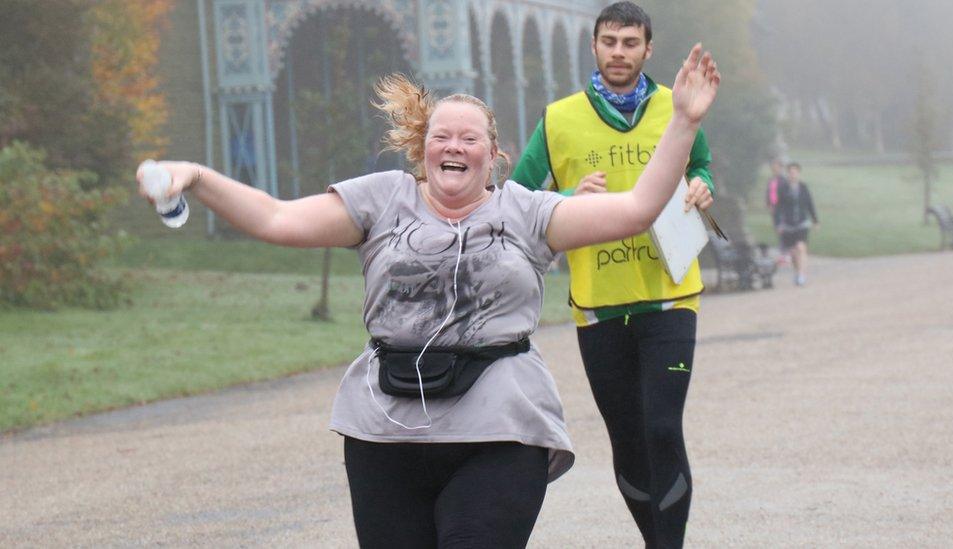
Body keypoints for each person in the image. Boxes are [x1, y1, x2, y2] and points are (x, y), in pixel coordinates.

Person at [138, 44, 719, 548]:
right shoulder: (380, 201)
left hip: (499, 427)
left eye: (471, 138)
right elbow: (274, 218)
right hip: (385, 432)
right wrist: (197, 176)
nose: (455, 146)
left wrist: (684, 122)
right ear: (422, 150)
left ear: (494, 156)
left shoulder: (528, 211)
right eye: (441, 135)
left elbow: (639, 208)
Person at [511, 2, 714, 547]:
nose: (618, 51)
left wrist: (701, 186)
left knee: (662, 428)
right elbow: (518, 201)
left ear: (648, 49)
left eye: (630, 42)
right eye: (609, 41)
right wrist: (572, 198)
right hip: (597, 304)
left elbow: (700, 165)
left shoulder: (680, 107)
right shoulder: (558, 119)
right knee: (626, 437)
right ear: (595, 46)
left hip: (670, 297)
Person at [774, 161, 819, 286]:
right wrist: (778, 224)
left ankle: (802, 275)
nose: (793, 175)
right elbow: (778, 207)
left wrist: (815, 220)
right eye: (790, 172)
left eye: (795, 172)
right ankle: (797, 271)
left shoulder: (803, 187)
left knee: (801, 247)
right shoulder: (783, 189)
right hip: (788, 225)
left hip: (802, 223)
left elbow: (810, 204)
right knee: (793, 253)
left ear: (798, 173)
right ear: (788, 174)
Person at [765, 158, 790, 265]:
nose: (774, 169)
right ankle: (783, 254)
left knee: (782, 230)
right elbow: (769, 193)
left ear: (780, 168)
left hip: (782, 210)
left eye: (777, 167)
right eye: (773, 167)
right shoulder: (771, 180)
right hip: (774, 210)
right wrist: (769, 204)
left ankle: (785, 254)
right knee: (778, 230)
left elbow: (786, 197)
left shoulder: (784, 181)